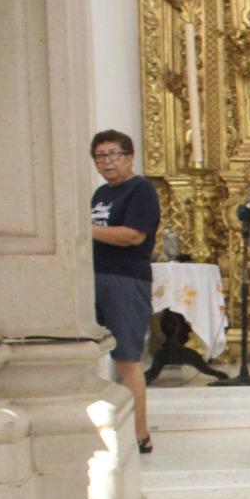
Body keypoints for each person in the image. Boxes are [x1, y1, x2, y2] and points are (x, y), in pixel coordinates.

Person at [89, 130, 160, 454]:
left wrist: (85, 230)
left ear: (130, 157)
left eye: (113, 154)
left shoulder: (141, 190)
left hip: (125, 280)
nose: (107, 162)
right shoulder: (101, 194)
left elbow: (133, 235)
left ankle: (139, 433)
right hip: (96, 277)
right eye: (100, 156)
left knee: (127, 358)